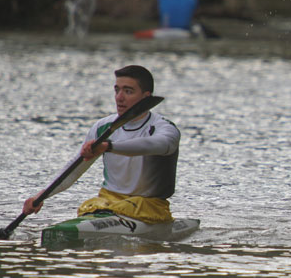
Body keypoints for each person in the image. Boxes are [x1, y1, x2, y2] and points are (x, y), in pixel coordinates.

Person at [23, 65, 181, 224]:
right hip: (107, 202)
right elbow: (74, 169)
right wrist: (40, 196)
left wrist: (109, 146)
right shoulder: (102, 127)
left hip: (148, 206)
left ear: (146, 98)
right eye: (117, 90)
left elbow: (152, 145)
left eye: (128, 91)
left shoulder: (164, 129)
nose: (119, 98)